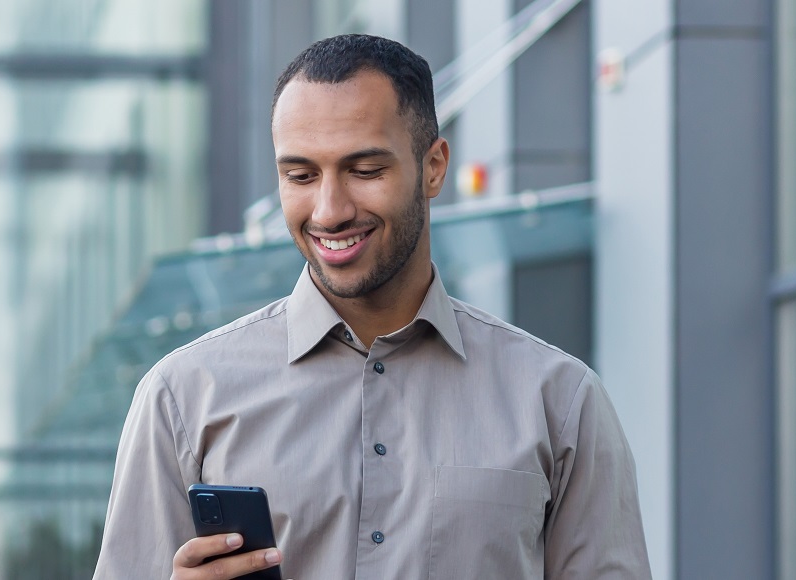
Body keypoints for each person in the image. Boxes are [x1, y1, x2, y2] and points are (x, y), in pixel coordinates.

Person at [91, 34, 650, 579]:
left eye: (365, 171)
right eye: (300, 175)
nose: (329, 211)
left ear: (434, 167)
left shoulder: (560, 401)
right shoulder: (182, 398)